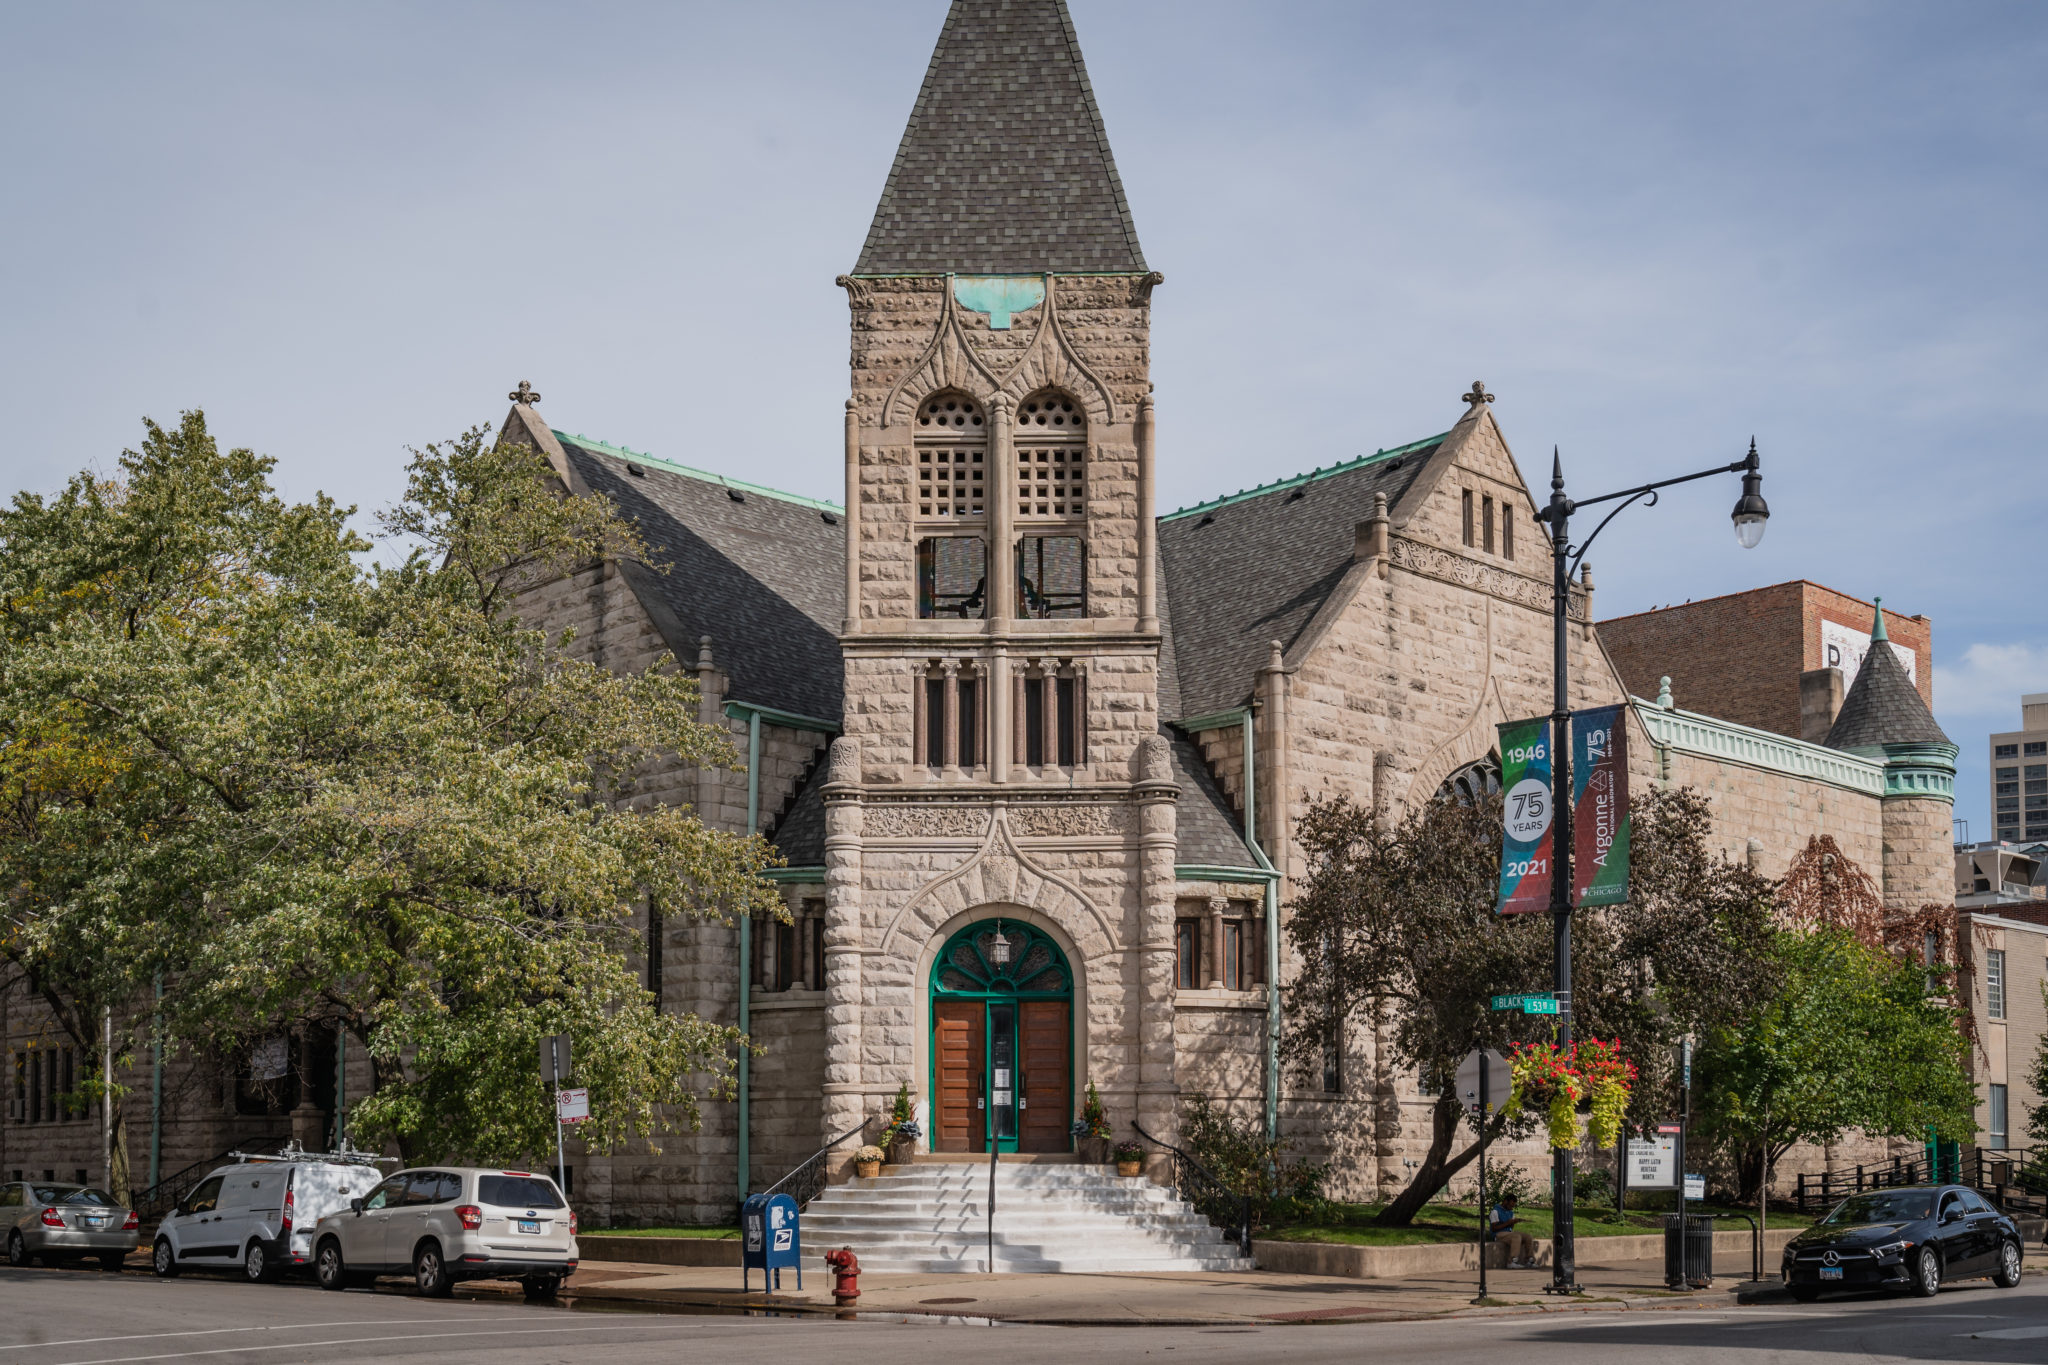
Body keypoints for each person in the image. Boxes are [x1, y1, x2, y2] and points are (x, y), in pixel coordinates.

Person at [1490, 1193, 1537, 1268]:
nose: (1511, 1208)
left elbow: (1511, 1228)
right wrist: (1507, 1223)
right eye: (1510, 1205)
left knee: (1528, 1237)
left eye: (1513, 1206)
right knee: (1516, 1237)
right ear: (1505, 1202)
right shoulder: (1495, 1211)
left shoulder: (1511, 1212)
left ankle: (1529, 1260)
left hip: (1508, 1233)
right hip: (1498, 1234)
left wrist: (1513, 1223)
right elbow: (1494, 1228)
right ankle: (1511, 1261)